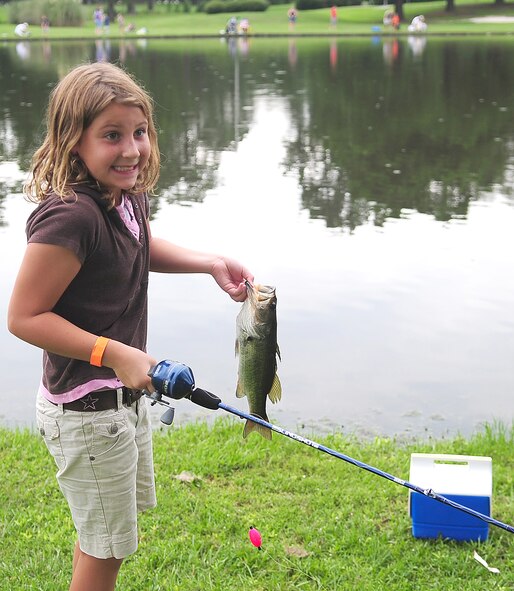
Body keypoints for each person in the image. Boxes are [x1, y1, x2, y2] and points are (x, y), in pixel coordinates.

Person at [7, 62, 253, 591]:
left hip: (121, 402)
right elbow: (24, 317)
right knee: (107, 548)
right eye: (112, 136)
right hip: (87, 411)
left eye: (139, 132)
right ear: (75, 142)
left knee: (105, 538)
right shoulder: (71, 217)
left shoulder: (124, 192)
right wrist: (115, 353)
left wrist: (206, 261)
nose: (132, 149)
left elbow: (138, 249)